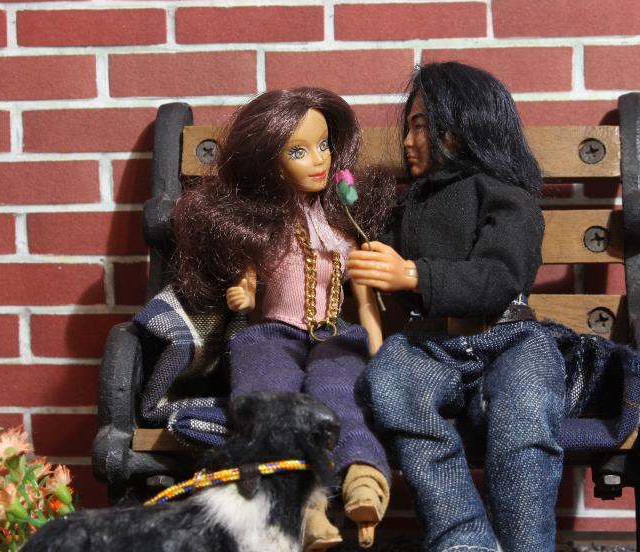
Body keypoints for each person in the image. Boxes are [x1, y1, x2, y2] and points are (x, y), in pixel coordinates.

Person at [347, 62, 565, 552]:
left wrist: (412, 274)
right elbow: (388, 268)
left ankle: (526, 544)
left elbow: (501, 276)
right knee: (391, 385)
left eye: (421, 127)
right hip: (431, 343)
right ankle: (463, 540)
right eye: (409, 128)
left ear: (462, 129)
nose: (408, 142)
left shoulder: (506, 197)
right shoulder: (413, 204)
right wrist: (367, 257)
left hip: (508, 337)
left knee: (526, 418)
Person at [172, 87, 394, 551]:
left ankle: (363, 478)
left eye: (324, 145)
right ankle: (302, 505)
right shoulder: (263, 227)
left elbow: (365, 298)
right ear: (270, 163)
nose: (319, 159)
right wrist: (243, 292)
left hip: (335, 336)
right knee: (269, 397)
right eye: (298, 151)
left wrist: (376, 341)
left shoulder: (343, 229)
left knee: (342, 395)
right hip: (271, 332)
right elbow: (248, 282)